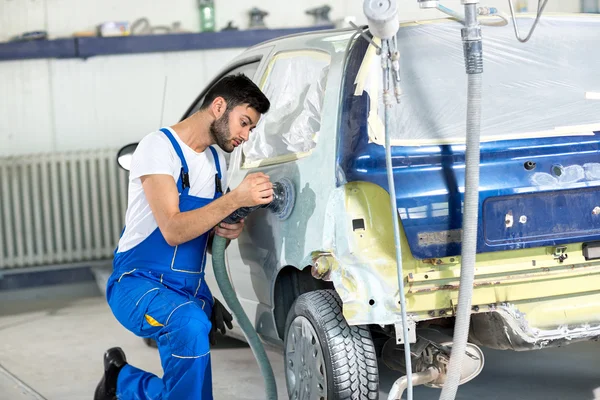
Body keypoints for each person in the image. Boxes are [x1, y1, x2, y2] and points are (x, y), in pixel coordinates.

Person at [94, 74, 271, 400]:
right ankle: (123, 383)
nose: (245, 136)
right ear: (219, 106)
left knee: (185, 383)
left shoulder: (217, 162)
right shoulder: (158, 147)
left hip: (187, 290)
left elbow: (203, 236)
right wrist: (233, 200)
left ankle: (122, 383)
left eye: (251, 129)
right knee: (188, 324)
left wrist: (228, 231)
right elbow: (174, 230)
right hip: (137, 284)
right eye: (244, 123)